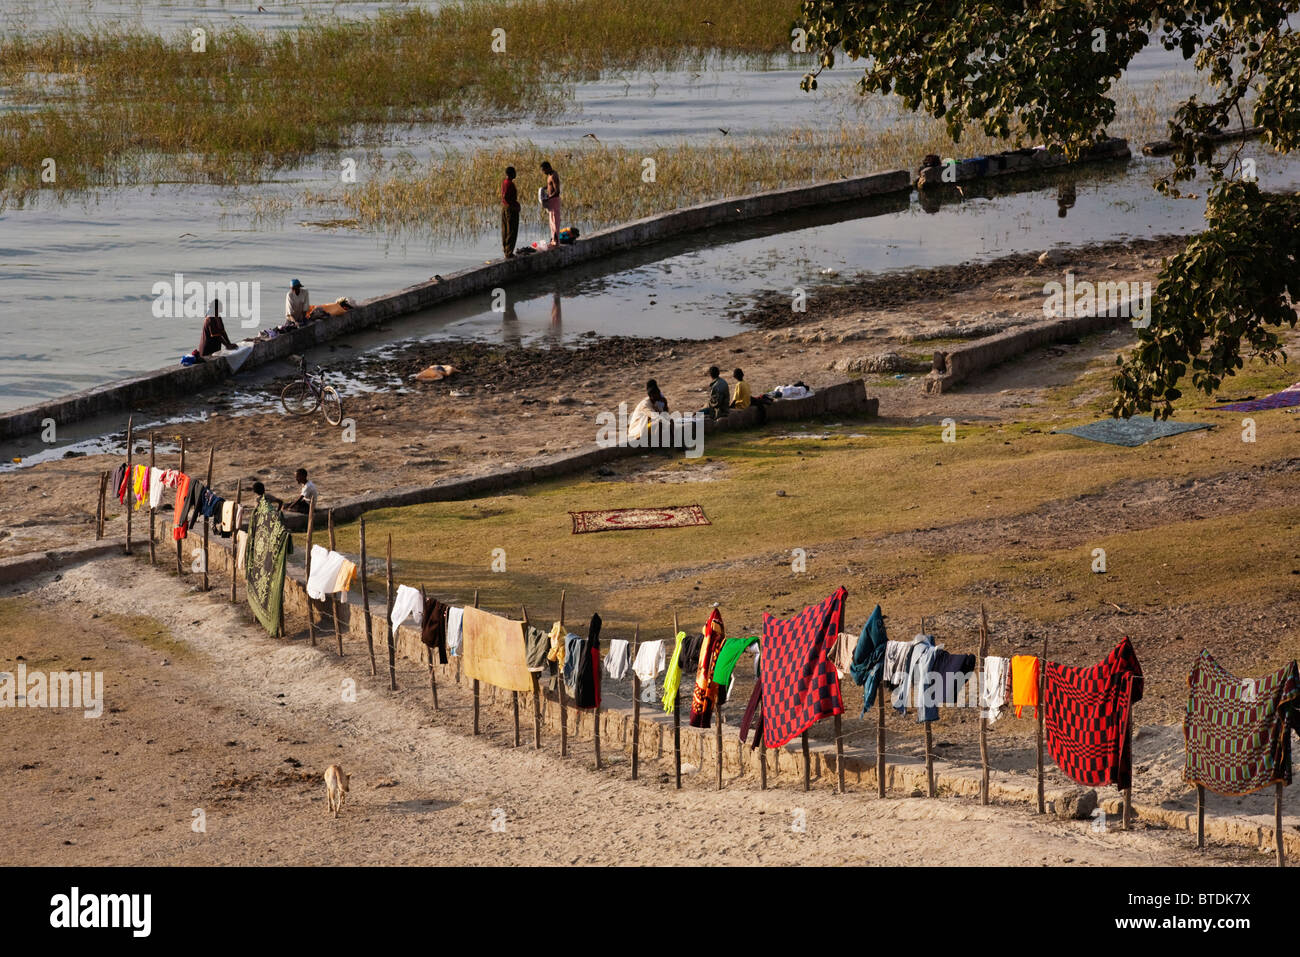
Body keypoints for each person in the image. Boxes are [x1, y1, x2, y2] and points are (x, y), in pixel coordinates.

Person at [500, 166, 520, 258]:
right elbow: (506, 197)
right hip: (510, 209)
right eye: (514, 172)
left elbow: (504, 197)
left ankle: (506, 250)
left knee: (505, 230)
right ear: (511, 174)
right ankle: (509, 252)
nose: (516, 174)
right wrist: (514, 205)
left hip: (505, 207)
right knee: (512, 230)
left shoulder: (504, 182)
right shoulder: (509, 184)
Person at [540, 160, 561, 245]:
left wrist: (548, 197)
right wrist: (542, 189)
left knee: (555, 221)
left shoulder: (553, 176)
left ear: (548, 168)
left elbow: (557, 191)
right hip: (551, 201)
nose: (543, 172)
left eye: (544, 170)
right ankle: (553, 240)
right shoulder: (549, 175)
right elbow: (550, 185)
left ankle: (556, 241)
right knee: (551, 221)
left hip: (554, 200)